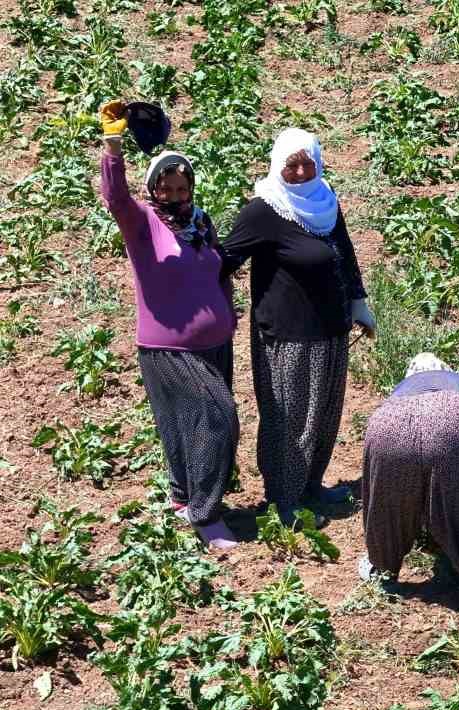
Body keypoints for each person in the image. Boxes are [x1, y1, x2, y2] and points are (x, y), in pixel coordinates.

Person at [97, 101, 240, 550]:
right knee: (218, 417)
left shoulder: (200, 222)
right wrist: (113, 144)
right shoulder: (143, 222)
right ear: (153, 189)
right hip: (168, 346)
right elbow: (115, 197)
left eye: (182, 188)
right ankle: (206, 515)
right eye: (167, 189)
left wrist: (228, 311)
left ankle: (183, 496)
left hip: (216, 341)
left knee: (181, 424)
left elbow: (219, 272)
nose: (176, 196)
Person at [220, 128, 375, 524]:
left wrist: (359, 304)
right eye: (293, 164)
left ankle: (311, 487)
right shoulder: (264, 210)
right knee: (290, 419)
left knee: (324, 415)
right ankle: (284, 501)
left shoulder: (326, 202)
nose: (303, 171)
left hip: (331, 329)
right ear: (277, 165)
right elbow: (223, 262)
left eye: (308, 163)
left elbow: (345, 254)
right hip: (287, 335)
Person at [358, 354, 459, 614]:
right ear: (446, 370)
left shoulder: (400, 390)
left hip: (387, 424)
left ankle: (382, 568)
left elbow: (415, 466)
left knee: (386, 500)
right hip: (455, 417)